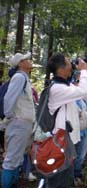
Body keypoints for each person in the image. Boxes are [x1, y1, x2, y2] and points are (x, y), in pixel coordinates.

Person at [44, 53, 87, 188]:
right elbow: (83, 91)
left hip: (66, 142)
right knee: (59, 180)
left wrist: (80, 73)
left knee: (66, 178)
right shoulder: (57, 88)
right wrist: (83, 70)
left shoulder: (63, 85)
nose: (71, 64)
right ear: (60, 68)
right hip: (60, 143)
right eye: (68, 62)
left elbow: (85, 93)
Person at [1, 52, 35, 188]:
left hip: (22, 123)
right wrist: (11, 117)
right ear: (20, 64)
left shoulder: (24, 78)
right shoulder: (19, 77)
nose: (29, 61)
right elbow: (9, 99)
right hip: (19, 122)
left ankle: (13, 183)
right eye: (26, 59)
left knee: (17, 158)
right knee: (11, 160)